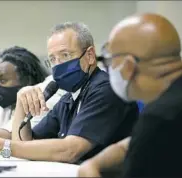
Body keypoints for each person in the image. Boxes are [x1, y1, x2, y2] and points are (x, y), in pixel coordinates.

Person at [0, 22, 139, 164]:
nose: (59, 65)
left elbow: (70, 150)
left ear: (90, 56)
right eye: (53, 59)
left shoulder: (104, 89)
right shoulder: (68, 97)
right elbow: (26, 145)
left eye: (65, 55)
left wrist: (1, 148)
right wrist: (21, 105)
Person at [78, 13, 182, 177]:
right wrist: (93, 163)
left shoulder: (161, 118)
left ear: (128, 67)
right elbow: (134, 143)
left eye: (109, 61)